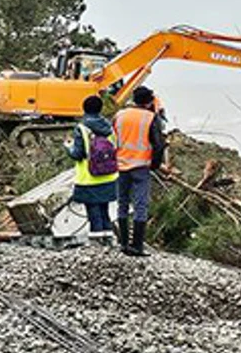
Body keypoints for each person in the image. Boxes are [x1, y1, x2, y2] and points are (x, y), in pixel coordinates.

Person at [113, 85, 170, 257]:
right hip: (140, 167)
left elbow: (112, 138)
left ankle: (123, 244)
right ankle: (137, 246)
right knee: (140, 206)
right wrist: (155, 165)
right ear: (148, 101)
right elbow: (158, 144)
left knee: (122, 203)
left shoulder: (119, 115)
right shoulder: (150, 118)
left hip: (120, 165)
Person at [67, 94, 118, 244]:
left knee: (93, 208)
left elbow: (78, 154)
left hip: (89, 177)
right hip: (109, 175)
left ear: (84, 109)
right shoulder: (109, 127)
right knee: (104, 207)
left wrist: (68, 147)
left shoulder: (81, 128)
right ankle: (108, 236)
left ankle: (96, 238)